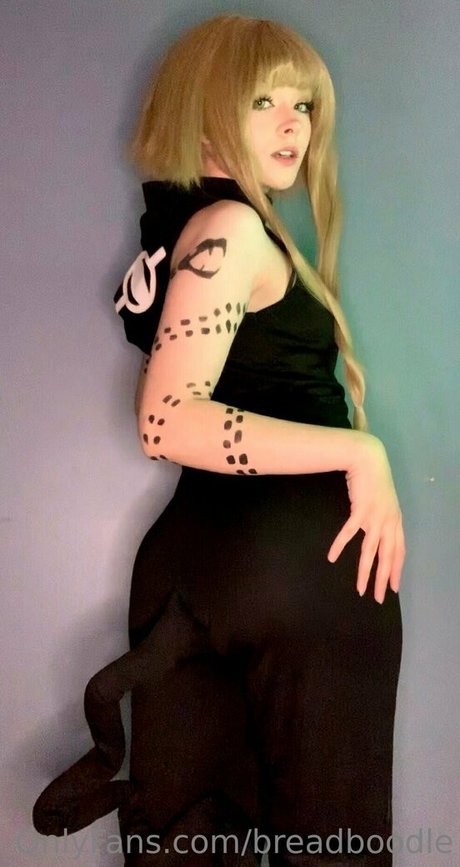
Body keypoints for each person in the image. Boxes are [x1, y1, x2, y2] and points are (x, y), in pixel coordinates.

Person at [33, 14, 405, 866]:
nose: (292, 125)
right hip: (302, 577)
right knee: (334, 843)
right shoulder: (232, 229)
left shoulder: (178, 234)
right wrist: (362, 450)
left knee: (190, 845)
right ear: (202, 109)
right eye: (262, 101)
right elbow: (166, 420)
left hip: (195, 574)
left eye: (303, 104)